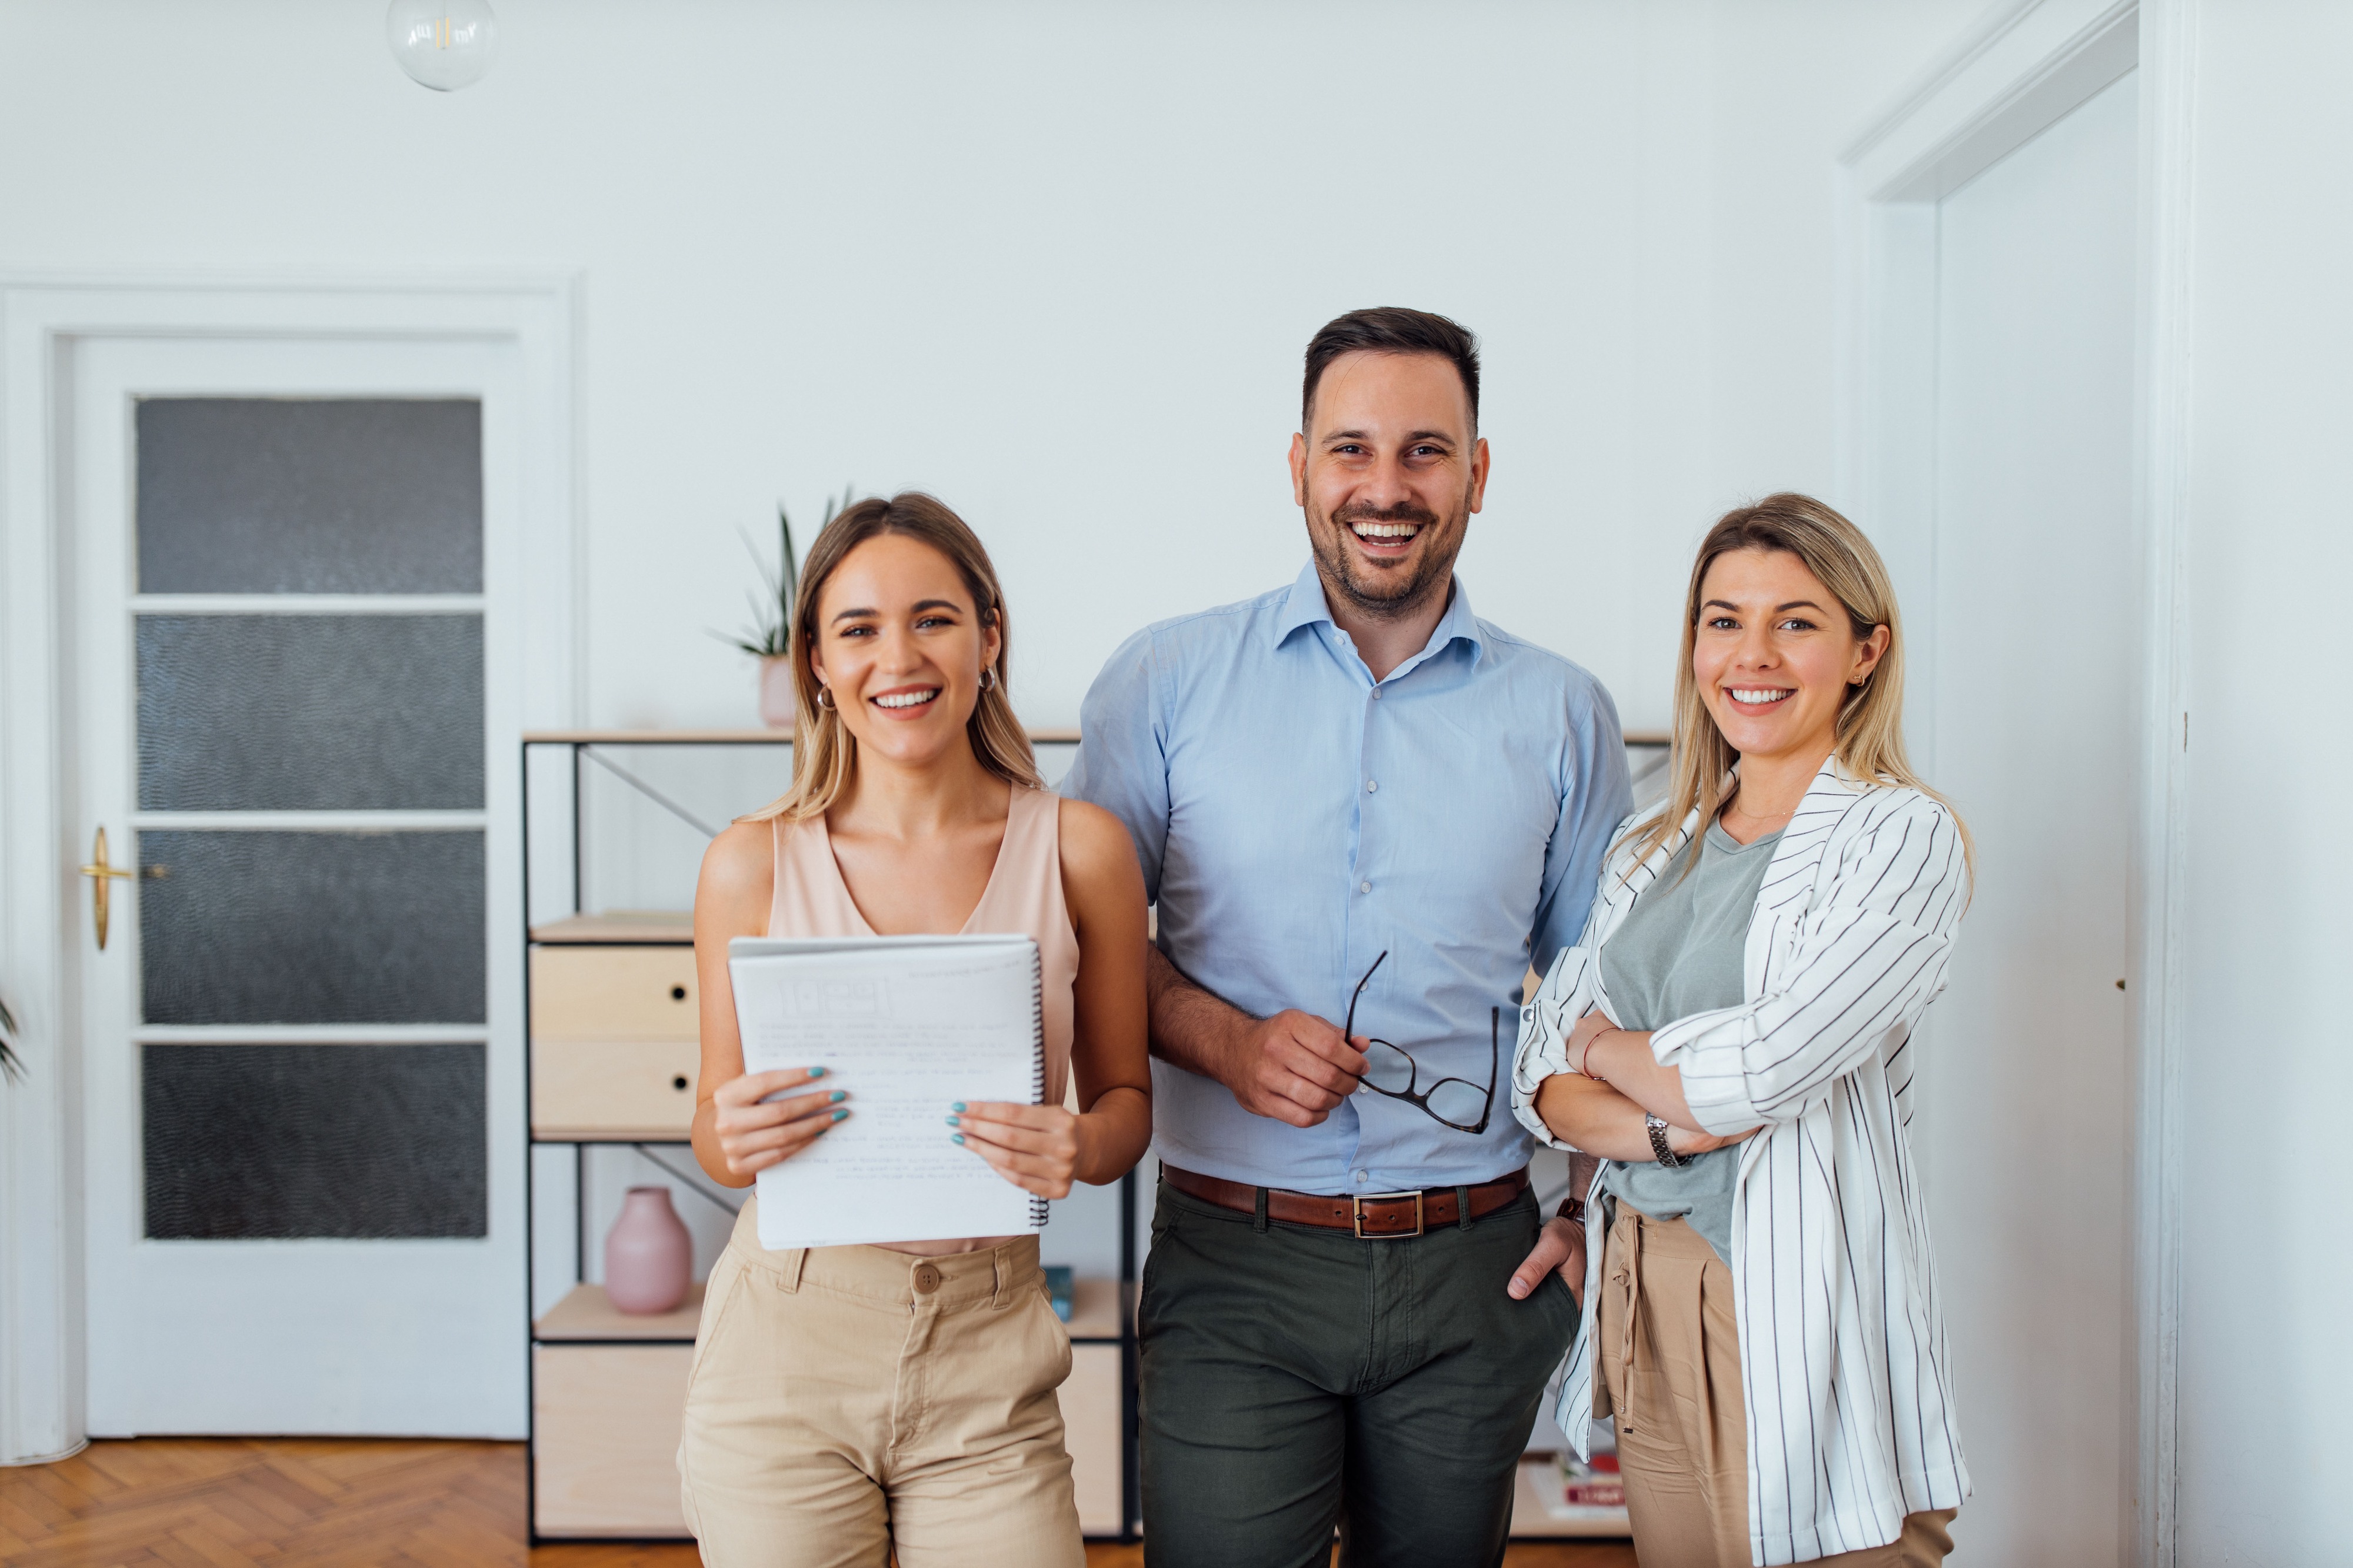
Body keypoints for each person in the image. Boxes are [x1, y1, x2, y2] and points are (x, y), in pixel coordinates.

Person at [1064, 306, 1632, 1567]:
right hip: (1235, 1268)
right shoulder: (1160, 682)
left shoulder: (1563, 714)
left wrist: (1588, 1211)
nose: (1385, 488)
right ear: (1297, 466)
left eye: (1425, 451)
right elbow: (1082, 952)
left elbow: (1604, 996)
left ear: (1477, 473)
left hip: (1474, 1270)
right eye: (1350, 449)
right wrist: (1220, 1039)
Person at [678, 493, 1154, 1568]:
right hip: (783, 1351)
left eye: (934, 618)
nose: (900, 655)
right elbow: (712, 1128)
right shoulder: (747, 863)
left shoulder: (1083, 850)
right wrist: (733, 1133)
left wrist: (1079, 1145)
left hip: (991, 1360)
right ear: (816, 662)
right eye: (859, 628)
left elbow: (1127, 1107)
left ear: (989, 639)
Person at [1512, 493, 1972, 1568]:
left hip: (1784, 1286)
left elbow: (1757, 1072)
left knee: (1844, 1542)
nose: (1751, 655)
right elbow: (1533, 1061)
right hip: (1647, 1283)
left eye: (1796, 622)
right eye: (1723, 620)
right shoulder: (1648, 842)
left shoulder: (1899, 837)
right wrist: (1651, 1121)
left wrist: (1603, 1047)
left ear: (1867, 650)